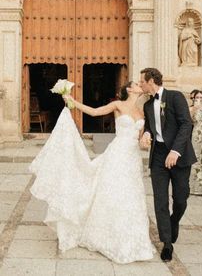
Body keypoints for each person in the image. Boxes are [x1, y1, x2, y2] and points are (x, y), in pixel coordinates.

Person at [29, 81, 156, 264]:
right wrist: (73, 102)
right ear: (129, 89)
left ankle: (132, 240)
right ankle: (107, 236)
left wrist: (146, 140)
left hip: (132, 158)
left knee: (131, 196)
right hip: (117, 154)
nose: (140, 85)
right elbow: (95, 112)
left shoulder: (142, 111)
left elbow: (142, 137)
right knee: (112, 194)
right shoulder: (118, 105)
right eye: (137, 83)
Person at [139, 68, 196, 262]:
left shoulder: (175, 97)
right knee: (160, 200)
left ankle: (174, 222)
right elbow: (150, 125)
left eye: (142, 82)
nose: (140, 85)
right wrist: (147, 133)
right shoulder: (147, 105)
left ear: (151, 81)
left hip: (178, 155)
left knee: (181, 197)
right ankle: (167, 243)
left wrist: (175, 151)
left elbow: (186, 124)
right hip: (158, 156)